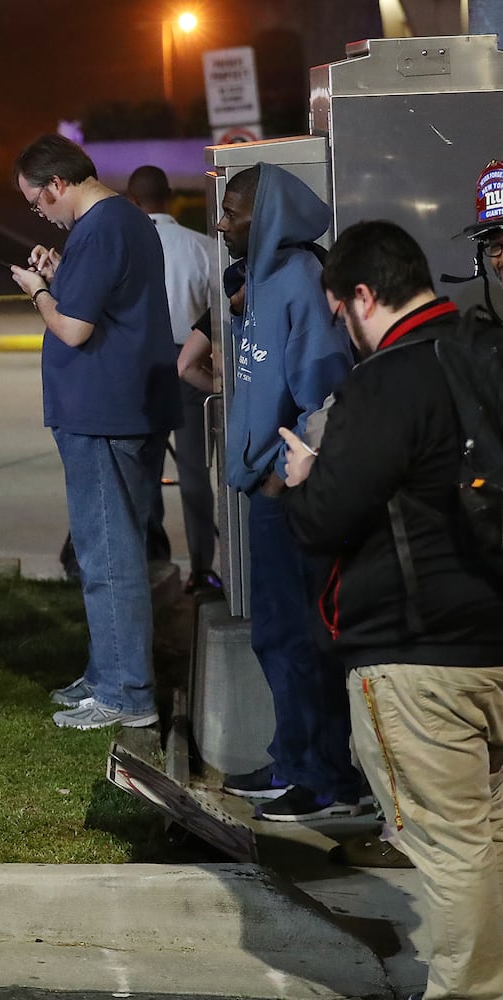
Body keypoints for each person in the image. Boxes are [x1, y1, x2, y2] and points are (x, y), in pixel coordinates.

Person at [281, 219, 503, 1000]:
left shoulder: (384, 383)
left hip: (419, 655)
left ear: (362, 298)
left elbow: (323, 523)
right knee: (493, 839)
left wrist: (304, 476)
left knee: (453, 848)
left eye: (342, 311)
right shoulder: (486, 350)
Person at [8, 135, 181, 730]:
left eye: (37, 203)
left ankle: (127, 692)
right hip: (119, 408)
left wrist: (38, 293)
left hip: (104, 414)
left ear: (57, 184)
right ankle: (109, 672)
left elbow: (74, 329)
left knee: (107, 554)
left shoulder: (104, 225)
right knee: (115, 547)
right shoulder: (117, 222)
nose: (40, 214)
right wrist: (62, 276)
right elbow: (101, 305)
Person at [213, 163, 365, 821]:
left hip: (286, 491)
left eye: (233, 213)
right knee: (275, 634)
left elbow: (323, 395)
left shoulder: (303, 280)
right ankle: (291, 756)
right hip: (260, 485)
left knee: (303, 637)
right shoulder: (265, 279)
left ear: (266, 217)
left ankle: (327, 780)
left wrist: (280, 477)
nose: (222, 225)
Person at [126, 165, 221, 595]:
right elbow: (215, 318)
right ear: (170, 197)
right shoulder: (201, 247)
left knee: (143, 466)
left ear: (132, 200)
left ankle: (152, 562)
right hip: (189, 360)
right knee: (195, 471)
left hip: (138, 366)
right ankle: (202, 569)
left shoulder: (125, 247)